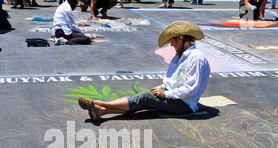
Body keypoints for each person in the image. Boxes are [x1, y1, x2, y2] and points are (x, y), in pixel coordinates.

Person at [77, 21, 211, 121]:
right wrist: (162, 88)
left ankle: (96, 103)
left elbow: (191, 89)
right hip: (175, 97)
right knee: (142, 103)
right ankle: (101, 112)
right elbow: (172, 80)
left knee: (144, 98)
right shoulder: (179, 56)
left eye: (172, 41)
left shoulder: (196, 58)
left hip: (184, 104)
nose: (171, 45)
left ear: (180, 39)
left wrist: (165, 94)